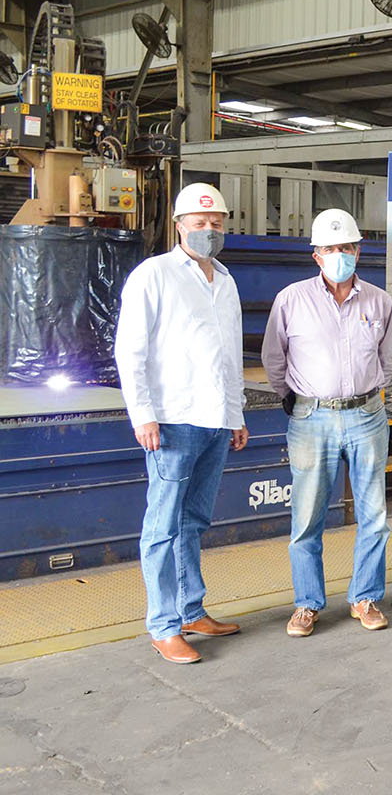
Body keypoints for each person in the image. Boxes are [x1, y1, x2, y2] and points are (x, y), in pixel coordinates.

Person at [114, 183, 248, 664]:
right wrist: (143, 414)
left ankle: (192, 610)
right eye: (199, 221)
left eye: (217, 223)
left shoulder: (226, 281)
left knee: (194, 521)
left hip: (214, 422)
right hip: (171, 421)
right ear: (178, 225)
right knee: (163, 526)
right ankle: (163, 625)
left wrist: (235, 415)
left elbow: (230, 356)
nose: (209, 230)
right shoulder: (154, 275)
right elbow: (130, 351)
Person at [263, 208, 392, 637]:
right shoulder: (291, 300)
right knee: (307, 518)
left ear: (359, 251)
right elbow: (273, 358)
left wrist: (367, 396)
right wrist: (295, 398)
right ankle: (306, 605)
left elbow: (386, 361)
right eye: (331, 248)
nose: (340, 254)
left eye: (348, 247)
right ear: (316, 255)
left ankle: (366, 597)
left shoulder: (380, 301)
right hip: (311, 417)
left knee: (374, 514)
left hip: (367, 415)